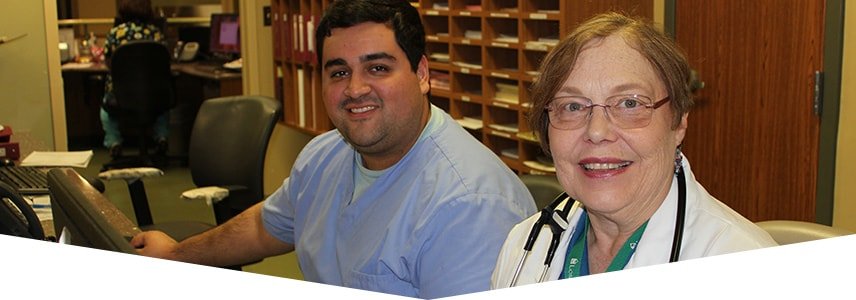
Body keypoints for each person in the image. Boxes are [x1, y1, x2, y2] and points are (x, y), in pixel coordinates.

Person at [130, 0, 536, 298]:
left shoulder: (470, 206)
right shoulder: (326, 155)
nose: (355, 89)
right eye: (339, 72)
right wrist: (177, 256)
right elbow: (264, 226)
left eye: (378, 68)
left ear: (423, 74)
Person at [491, 12, 778, 288]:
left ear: (678, 122)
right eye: (573, 106)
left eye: (630, 104)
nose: (597, 132)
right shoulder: (525, 245)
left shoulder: (749, 270)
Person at [99, 0, 169, 159]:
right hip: (153, 93)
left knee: (106, 111)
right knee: (162, 106)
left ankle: (114, 142)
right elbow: (165, 62)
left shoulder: (116, 33)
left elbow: (109, 62)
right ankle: (162, 138)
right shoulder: (155, 32)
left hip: (121, 96)